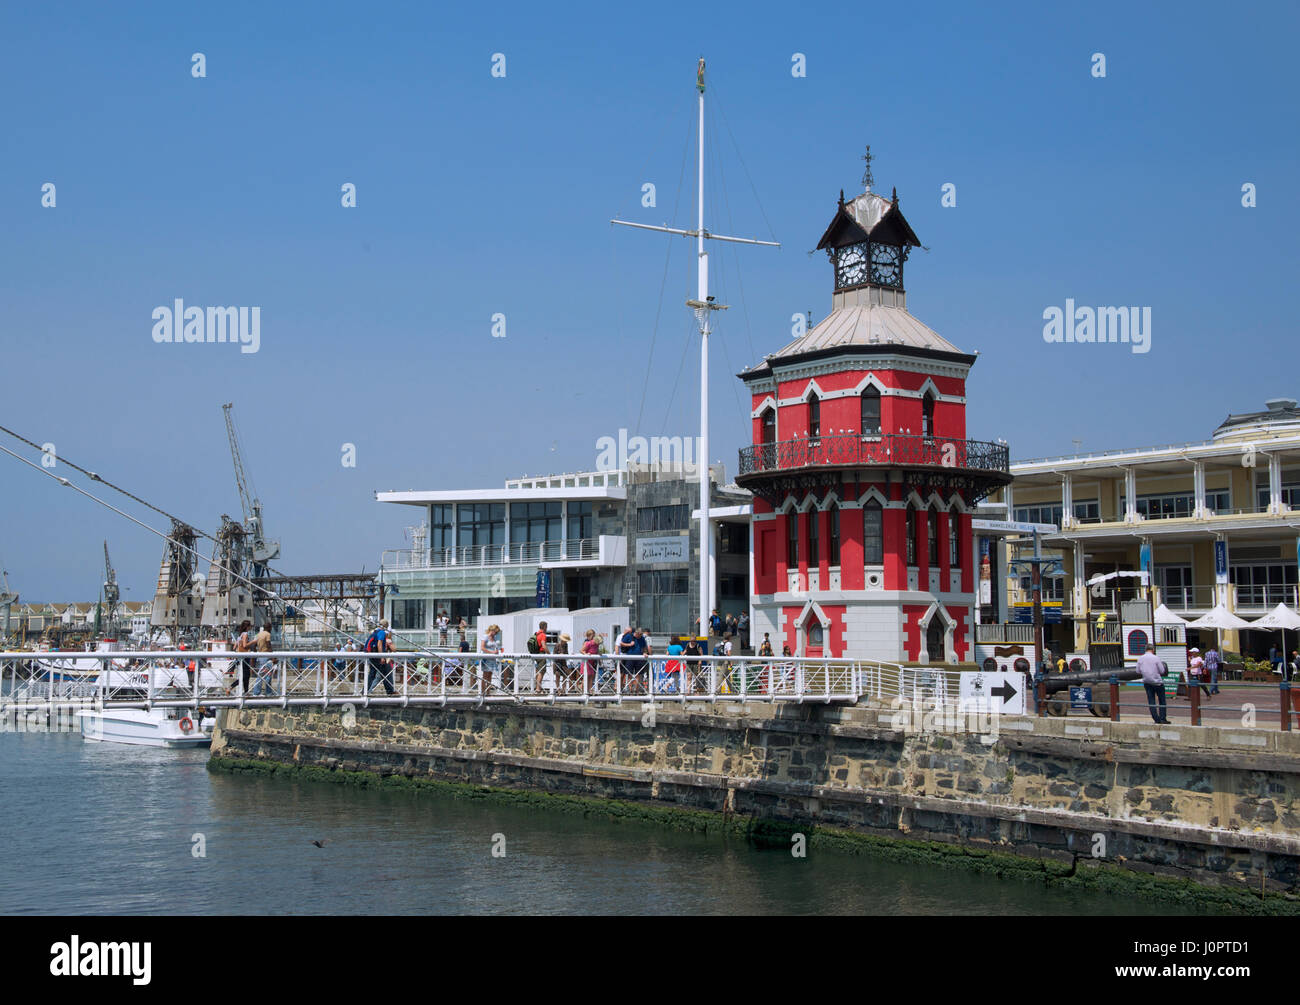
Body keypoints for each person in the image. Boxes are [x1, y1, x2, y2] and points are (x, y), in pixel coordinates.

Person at [1137, 645, 1169, 723]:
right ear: (1153, 650)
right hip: (1157, 682)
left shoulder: (1140, 658)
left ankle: (1156, 718)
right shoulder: (1156, 658)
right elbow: (1162, 671)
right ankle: (1162, 718)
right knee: (1162, 700)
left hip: (1147, 682)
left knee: (1151, 701)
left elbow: (1138, 671)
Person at [364, 620, 395, 696]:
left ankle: (365, 691)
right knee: (386, 671)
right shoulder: (381, 632)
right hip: (377, 656)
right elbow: (379, 644)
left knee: (373, 673)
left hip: (372, 655)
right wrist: (381, 657)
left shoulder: (375, 632)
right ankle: (390, 691)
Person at [250, 619, 275, 696]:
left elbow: (254, 645)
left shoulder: (259, 634)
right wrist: (273, 656)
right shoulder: (267, 634)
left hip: (260, 655)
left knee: (262, 674)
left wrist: (254, 655)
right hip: (266, 656)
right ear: (269, 628)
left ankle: (266, 692)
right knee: (266, 675)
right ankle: (259, 692)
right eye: (270, 628)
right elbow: (268, 645)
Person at [478, 624, 502, 696]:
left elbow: (495, 647)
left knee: (490, 675)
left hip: (492, 659)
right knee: (485, 675)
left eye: (497, 632)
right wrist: (492, 652)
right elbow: (482, 648)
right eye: (495, 632)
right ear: (492, 630)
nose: (496, 633)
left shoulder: (494, 638)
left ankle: (488, 692)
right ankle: (483, 692)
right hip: (486, 658)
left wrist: (496, 651)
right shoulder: (485, 636)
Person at [232, 619, 253, 694]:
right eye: (250, 626)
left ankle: (246, 693)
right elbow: (244, 645)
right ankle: (230, 687)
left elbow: (234, 647)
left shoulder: (239, 635)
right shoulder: (245, 634)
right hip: (245, 657)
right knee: (245, 676)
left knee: (246, 676)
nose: (251, 627)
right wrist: (253, 641)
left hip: (239, 657)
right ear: (247, 627)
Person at [533, 621, 550, 692]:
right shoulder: (543, 635)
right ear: (545, 627)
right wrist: (549, 653)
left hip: (536, 654)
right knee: (541, 671)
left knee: (537, 670)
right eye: (546, 627)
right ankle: (538, 688)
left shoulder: (536, 634)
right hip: (541, 654)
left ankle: (536, 686)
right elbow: (543, 645)